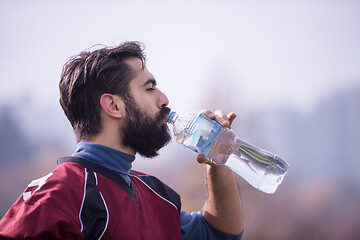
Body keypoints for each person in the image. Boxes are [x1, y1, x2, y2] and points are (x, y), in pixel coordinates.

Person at [0, 41, 244, 239]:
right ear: (114, 105)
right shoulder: (58, 195)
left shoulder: (159, 196)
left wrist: (217, 161)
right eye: (149, 89)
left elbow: (219, 234)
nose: (164, 99)